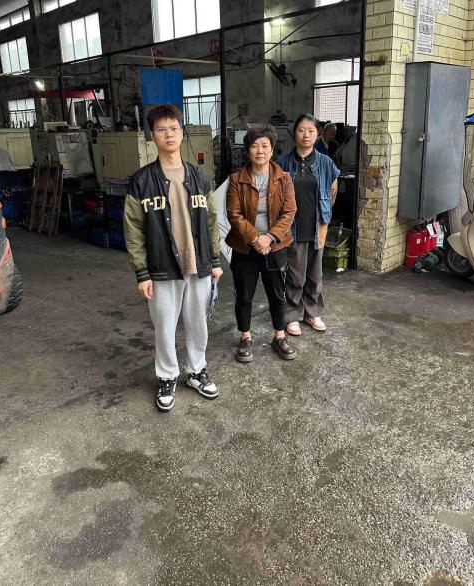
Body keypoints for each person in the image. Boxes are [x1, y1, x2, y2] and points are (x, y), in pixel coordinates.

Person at [123, 104, 223, 412]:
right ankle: (167, 376)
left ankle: (196, 370)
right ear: (151, 135)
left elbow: (211, 221)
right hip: (162, 268)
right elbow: (133, 229)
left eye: (174, 128)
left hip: (198, 265)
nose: (169, 134)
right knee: (164, 326)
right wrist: (142, 272)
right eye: (161, 129)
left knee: (198, 324)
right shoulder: (141, 181)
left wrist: (215, 260)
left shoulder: (199, 177)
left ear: (182, 133)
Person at [226, 125, 297, 363]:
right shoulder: (236, 179)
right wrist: (256, 238)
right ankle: (245, 337)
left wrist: (269, 237)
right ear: (248, 150)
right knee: (244, 295)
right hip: (244, 247)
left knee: (277, 294)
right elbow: (234, 214)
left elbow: (289, 212)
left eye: (265, 145)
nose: (260, 150)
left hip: (275, 247)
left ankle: (279, 336)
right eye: (255, 145)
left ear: (272, 149)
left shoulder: (284, 178)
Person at [278, 113, 340, 336]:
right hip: (292, 226)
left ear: (317, 134)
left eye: (311, 130)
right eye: (301, 130)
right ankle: (292, 314)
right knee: (295, 273)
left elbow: (333, 191)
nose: (306, 135)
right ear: (294, 133)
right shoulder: (283, 163)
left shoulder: (326, 163)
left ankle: (312, 312)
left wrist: (325, 215)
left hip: (317, 225)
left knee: (315, 273)